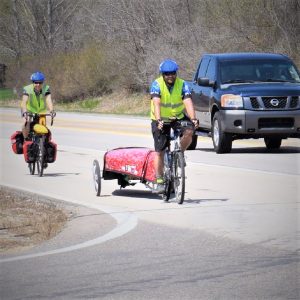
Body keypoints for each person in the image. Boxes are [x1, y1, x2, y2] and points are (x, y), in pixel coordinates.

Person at [150, 59, 199, 193]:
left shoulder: (183, 84)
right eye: (167, 74)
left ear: (176, 73)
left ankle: (180, 153)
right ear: (162, 74)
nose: (170, 76)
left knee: (189, 131)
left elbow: (188, 101)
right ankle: (159, 180)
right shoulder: (157, 84)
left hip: (177, 117)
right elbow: (156, 103)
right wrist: (159, 119)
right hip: (160, 119)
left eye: (172, 73)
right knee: (159, 151)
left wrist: (193, 118)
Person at [21, 71, 55, 140]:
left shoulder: (46, 88)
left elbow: (48, 100)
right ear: (33, 82)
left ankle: (42, 142)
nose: (38, 84)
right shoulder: (27, 89)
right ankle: (26, 140)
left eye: (40, 82)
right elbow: (24, 101)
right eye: (36, 82)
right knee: (26, 123)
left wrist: (51, 110)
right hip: (29, 110)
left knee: (43, 126)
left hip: (41, 111)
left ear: (43, 82)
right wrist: (25, 112)